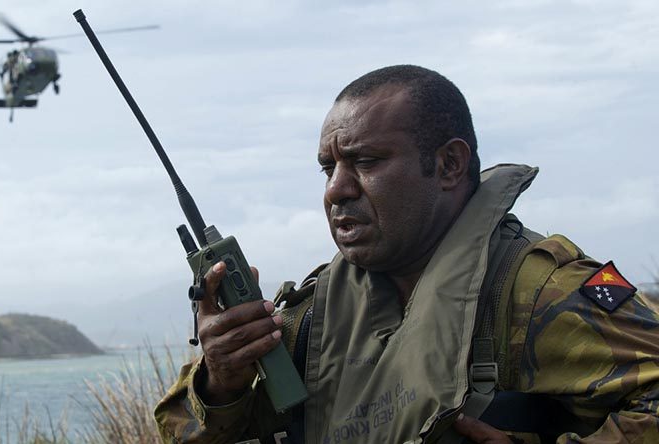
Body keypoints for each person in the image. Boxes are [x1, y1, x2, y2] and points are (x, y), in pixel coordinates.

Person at [154, 65, 659, 443]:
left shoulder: (540, 292)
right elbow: (177, 429)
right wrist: (222, 380)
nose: (336, 191)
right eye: (327, 169)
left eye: (366, 162)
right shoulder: (314, 318)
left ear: (448, 165)